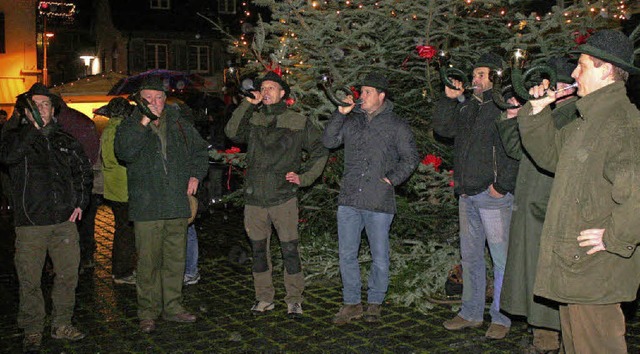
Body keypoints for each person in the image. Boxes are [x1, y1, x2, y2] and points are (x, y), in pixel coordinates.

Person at [517, 29, 640, 353]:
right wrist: (538, 111)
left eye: (582, 65)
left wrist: (615, 238)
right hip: (576, 268)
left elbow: (637, 193)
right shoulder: (590, 121)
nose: (573, 74)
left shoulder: (620, 123)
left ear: (605, 69)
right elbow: (550, 154)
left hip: (596, 272)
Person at [225, 70, 328, 317]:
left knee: (290, 250)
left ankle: (294, 299)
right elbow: (232, 133)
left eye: (272, 88)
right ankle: (264, 298)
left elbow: (320, 149)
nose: (266, 91)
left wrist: (304, 178)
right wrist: (246, 105)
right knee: (259, 252)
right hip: (255, 200)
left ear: (282, 93)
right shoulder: (254, 118)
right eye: (264, 88)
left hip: (284, 198)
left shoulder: (297, 121)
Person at [432, 52, 519, 339]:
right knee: (470, 258)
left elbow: (513, 149)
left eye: (481, 74)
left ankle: (501, 317)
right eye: (474, 75)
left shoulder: (503, 105)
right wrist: (447, 98)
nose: (474, 79)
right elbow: (443, 129)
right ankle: (470, 312)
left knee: (501, 259)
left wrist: (502, 185)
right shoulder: (469, 107)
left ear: (495, 76)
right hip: (467, 195)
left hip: (492, 195)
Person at [0, 83, 92, 352]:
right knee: (29, 279)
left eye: (45, 105)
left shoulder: (65, 139)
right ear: (25, 111)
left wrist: (81, 203)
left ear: (54, 109)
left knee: (67, 276)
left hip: (64, 223)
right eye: (34, 105)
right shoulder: (15, 138)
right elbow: (8, 157)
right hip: (31, 224)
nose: (41, 109)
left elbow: (83, 173)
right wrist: (32, 130)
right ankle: (32, 329)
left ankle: (62, 323)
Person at [323, 72, 419, 324]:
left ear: (381, 96)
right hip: (349, 198)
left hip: (378, 200)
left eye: (367, 92)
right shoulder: (352, 119)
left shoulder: (396, 124)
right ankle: (352, 303)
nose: (361, 96)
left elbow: (410, 159)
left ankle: (375, 302)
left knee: (379, 256)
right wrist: (339, 114)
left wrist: (391, 180)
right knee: (346, 254)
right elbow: (329, 140)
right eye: (361, 92)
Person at [114, 77, 209, 333]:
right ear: (139, 100)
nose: (154, 103)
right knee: (147, 263)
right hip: (147, 207)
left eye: (158, 98)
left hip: (176, 204)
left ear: (165, 100)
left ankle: (174, 307)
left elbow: (201, 151)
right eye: (148, 99)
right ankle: (147, 311)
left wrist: (195, 175)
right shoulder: (130, 125)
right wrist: (143, 121)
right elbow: (124, 153)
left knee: (175, 261)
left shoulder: (180, 125)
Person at [498, 57, 578, 353]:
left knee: (545, 274)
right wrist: (512, 116)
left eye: (551, 83)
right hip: (530, 201)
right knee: (530, 273)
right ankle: (540, 333)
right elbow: (516, 149)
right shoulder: (552, 112)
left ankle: (547, 338)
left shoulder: (572, 115)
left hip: (547, 205)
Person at [57, 103, 102, 270]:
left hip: (72, 180)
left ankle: (77, 260)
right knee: (86, 222)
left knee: (74, 224)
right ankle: (86, 255)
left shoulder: (62, 123)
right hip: (86, 179)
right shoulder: (81, 120)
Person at [99, 97, 137, 285]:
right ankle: (123, 272)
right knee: (126, 232)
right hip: (124, 188)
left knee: (122, 230)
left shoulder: (108, 130)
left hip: (114, 188)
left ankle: (120, 270)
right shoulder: (121, 130)